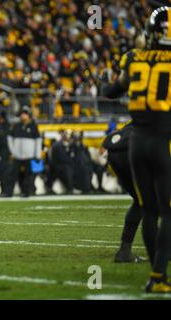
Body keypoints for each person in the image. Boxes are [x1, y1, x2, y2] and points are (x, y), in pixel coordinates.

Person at [101, 6, 171, 293]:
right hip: (163, 140)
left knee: (149, 209)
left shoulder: (133, 60)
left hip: (136, 143)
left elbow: (111, 91)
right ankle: (157, 275)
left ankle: (155, 276)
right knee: (167, 212)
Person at [103, 123, 146, 263]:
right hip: (136, 146)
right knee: (155, 202)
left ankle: (124, 251)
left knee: (141, 201)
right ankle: (161, 254)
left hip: (115, 148)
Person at [5, 106, 42, 197]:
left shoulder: (33, 126)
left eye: (25, 114)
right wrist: (13, 151)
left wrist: (37, 155)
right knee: (12, 175)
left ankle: (26, 192)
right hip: (17, 155)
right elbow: (10, 138)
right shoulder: (17, 126)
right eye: (22, 114)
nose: (23, 116)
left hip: (29, 156)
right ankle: (9, 192)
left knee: (28, 176)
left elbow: (38, 141)